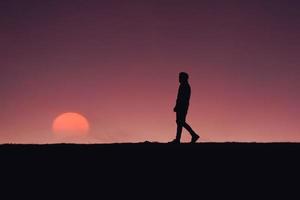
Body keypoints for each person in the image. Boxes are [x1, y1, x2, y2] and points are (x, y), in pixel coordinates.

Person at [171, 72, 199, 144]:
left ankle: (194, 135)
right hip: (183, 106)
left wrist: (177, 106)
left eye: (180, 77)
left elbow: (181, 98)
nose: (179, 79)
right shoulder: (184, 85)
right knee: (180, 122)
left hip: (182, 106)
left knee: (181, 122)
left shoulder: (184, 86)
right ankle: (178, 139)